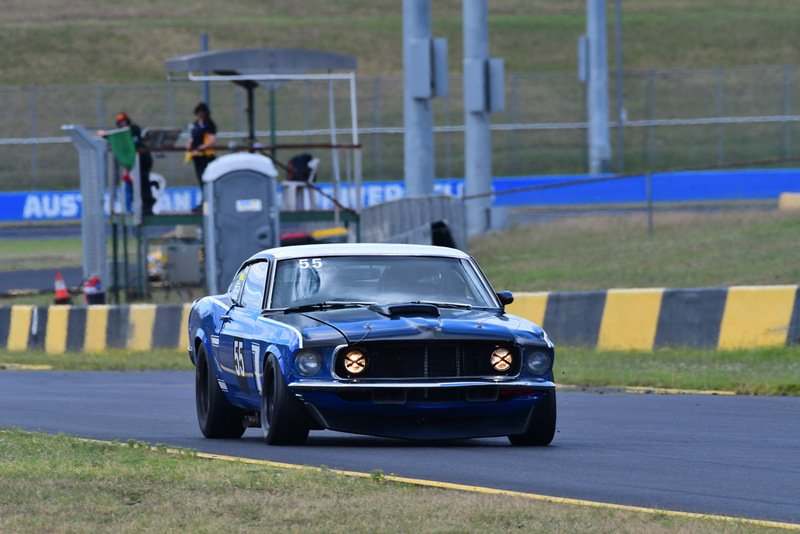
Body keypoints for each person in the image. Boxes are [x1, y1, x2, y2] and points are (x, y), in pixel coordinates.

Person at [115, 112, 156, 215]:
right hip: (134, 162)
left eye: (124, 121)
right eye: (120, 122)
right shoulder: (122, 134)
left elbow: (135, 144)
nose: (122, 123)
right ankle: (145, 203)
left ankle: (148, 204)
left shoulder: (133, 130)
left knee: (143, 182)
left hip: (143, 159)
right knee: (139, 184)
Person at [186, 102, 217, 188]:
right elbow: (192, 137)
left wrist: (201, 147)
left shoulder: (209, 124)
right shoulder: (196, 124)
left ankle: (207, 195)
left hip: (205, 155)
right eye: (199, 111)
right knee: (200, 177)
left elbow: (212, 139)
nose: (201, 113)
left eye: (202, 111)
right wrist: (189, 146)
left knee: (206, 177)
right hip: (196, 156)